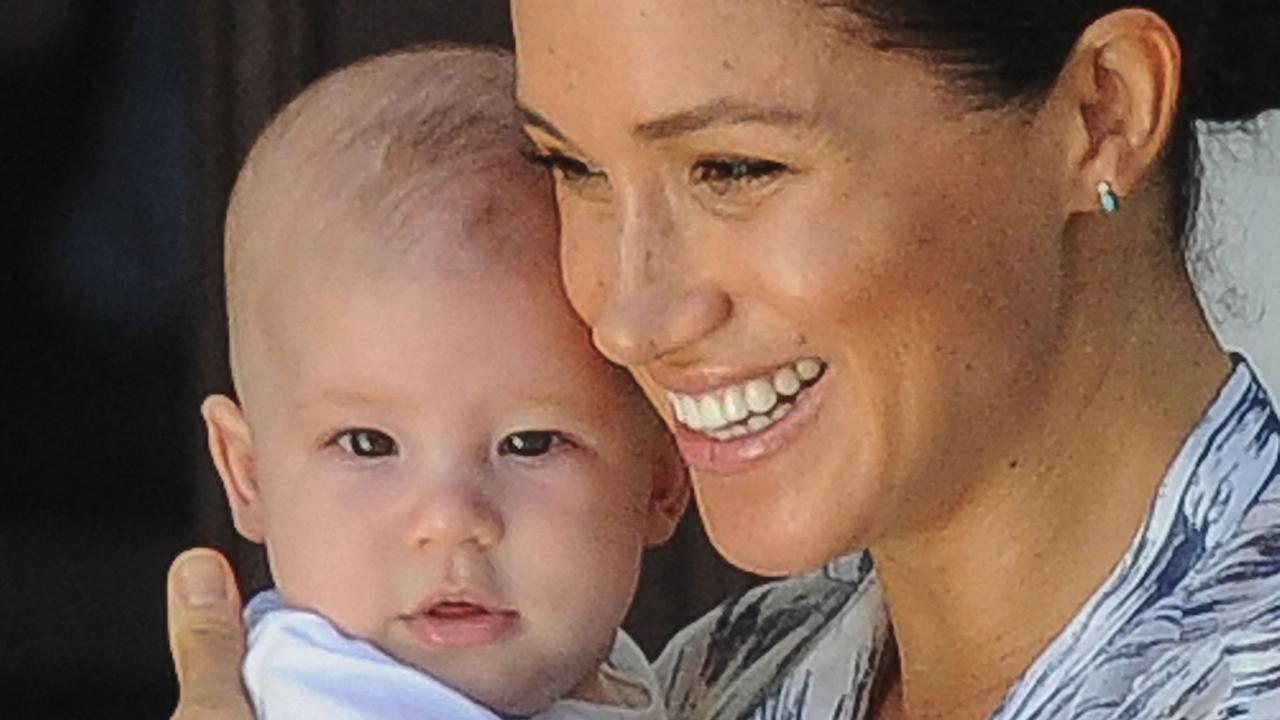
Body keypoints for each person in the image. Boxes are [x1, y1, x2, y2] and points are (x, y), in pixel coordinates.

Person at [168, 2, 1280, 719]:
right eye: (573, 169)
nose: (628, 314)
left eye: (735, 169)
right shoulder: (718, 675)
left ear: (1100, 112)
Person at [188, 44, 685, 720]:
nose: (452, 520)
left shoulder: (609, 673)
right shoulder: (343, 701)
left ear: (661, 476)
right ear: (249, 475)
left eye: (530, 443)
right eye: (367, 443)